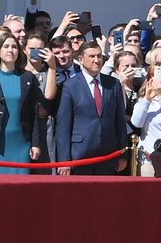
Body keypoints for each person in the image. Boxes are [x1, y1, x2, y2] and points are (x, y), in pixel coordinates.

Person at [54, 41, 129, 176]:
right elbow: (63, 126)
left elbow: (119, 121)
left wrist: (123, 154)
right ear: (81, 59)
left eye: (99, 56)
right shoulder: (70, 86)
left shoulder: (113, 83)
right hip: (80, 155)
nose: (97, 60)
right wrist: (64, 160)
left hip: (108, 154)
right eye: (92, 56)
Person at [0, 32, 44, 174]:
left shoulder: (27, 77)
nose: (10, 50)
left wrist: (36, 143)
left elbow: (34, 114)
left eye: (14, 47)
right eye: (6, 46)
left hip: (21, 143)